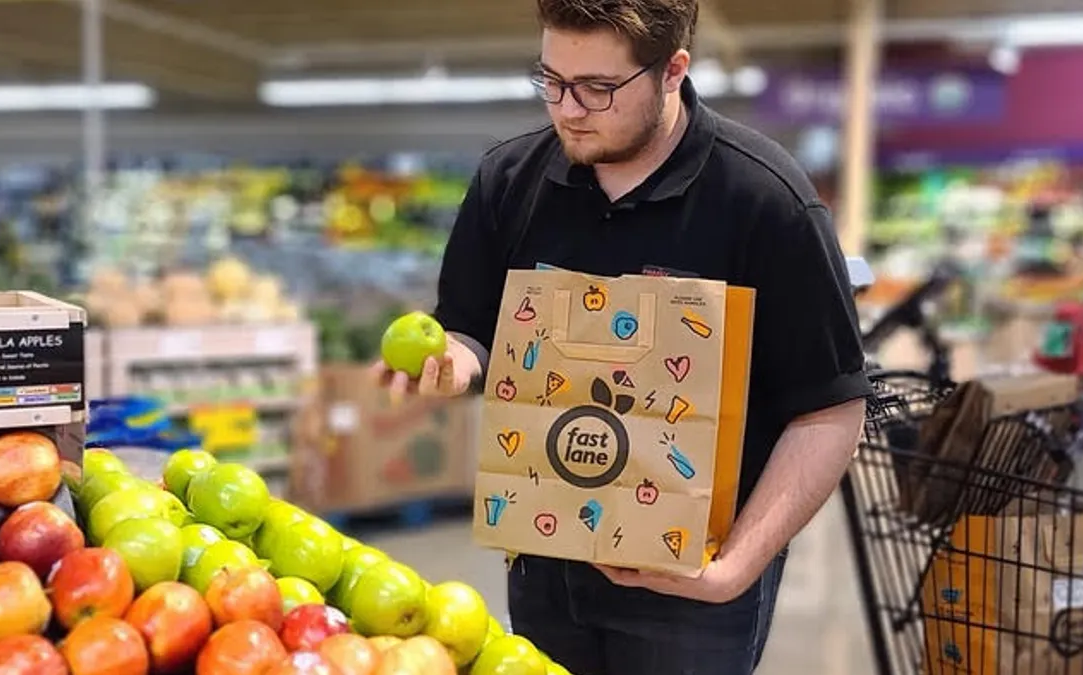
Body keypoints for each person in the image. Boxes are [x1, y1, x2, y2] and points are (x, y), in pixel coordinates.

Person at [372, 0, 870, 672]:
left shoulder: (765, 200)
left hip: (692, 579)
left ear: (672, 71)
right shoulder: (508, 182)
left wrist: (732, 571)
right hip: (544, 556)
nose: (568, 109)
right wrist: (449, 363)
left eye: (598, 88)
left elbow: (831, 410)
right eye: (551, 80)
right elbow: (470, 328)